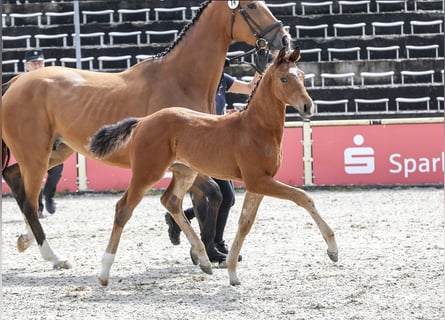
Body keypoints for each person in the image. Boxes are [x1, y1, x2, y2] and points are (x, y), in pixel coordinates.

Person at [165, 50, 268, 263]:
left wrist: (259, 70)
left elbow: (250, 89)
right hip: (201, 143)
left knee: (227, 198)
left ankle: (193, 227)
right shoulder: (198, 81)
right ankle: (207, 246)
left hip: (220, 142)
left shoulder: (222, 79)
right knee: (216, 196)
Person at [24, 49, 64, 218]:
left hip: (52, 133)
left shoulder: (52, 82)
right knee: (34, 172)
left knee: (56, 171)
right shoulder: (21, 84)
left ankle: (49, 195)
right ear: (26, 66)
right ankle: (37, 207)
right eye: (34, 63)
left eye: (40, 62)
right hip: (31, 135)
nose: (37, 65)